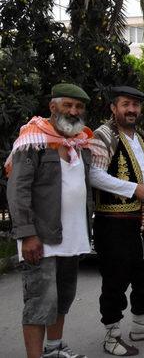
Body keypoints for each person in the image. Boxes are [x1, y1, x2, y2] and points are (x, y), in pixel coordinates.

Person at [5, 83, 94, 358]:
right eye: (68, 105)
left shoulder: (80, 143)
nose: (73, 111)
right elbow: (17, 189)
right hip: (41, 238)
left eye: (78, 107)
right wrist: (27, 234)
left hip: (72, 237)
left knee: (62, 299)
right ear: (52, 107)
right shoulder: (33, 141)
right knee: (39, 303)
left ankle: (54, 349)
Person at [90, 86, 144, 356]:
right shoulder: (103, 135)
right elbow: (95, 175)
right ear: (114, 107)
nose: (132, 110)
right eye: (126, 104)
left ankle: (141, 326)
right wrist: (133, 189)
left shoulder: (142, 136)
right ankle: (112, 336)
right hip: (114, 221)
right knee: (116, 279)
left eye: (136, 105)